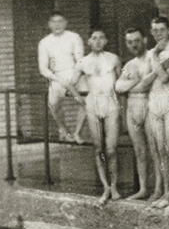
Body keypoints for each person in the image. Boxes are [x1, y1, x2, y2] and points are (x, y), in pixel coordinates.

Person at [69, 29, 122, 206]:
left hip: (111, 104)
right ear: (89, 42)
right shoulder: (83, 62)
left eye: (101, 38)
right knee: (98, 148)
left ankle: (114, 186)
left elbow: (122, 83)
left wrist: (122, 105)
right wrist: (82, 102)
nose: (98, 41)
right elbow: (70, 85)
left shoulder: (113, 58)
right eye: (94, 38)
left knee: (111, 149)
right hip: (93, 104)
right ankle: (106, 187)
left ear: (105, 41)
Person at [145, 16, 169, 208]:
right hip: (154, 100)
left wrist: (154, 59)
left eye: (161, 29)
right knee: (159, 149)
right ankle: (162, 190)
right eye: (155, 30)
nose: (158, 34)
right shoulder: (151, 52)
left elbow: (165, 77)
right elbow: (144, 80)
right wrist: (154, 60)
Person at [114, 26, 157, 200]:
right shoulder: (129, 65)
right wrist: (138, 81)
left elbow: (146, 85)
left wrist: (133, 82)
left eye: (137, 41)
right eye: (130, 42)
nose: (134, 45)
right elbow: (118, 87)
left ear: (145, 40)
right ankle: (143, 188)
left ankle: (159, 189)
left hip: (149, 105)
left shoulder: (152, 58)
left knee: (155, 150)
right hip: (133, 107)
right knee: (139, 151)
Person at [37, 11, 86, 143]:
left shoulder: (74, 37)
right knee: (52, 104)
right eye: (54, 22)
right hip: (57, 77)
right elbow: (43, 68)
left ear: (65, 23)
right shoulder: (44, 42)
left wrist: (74, 78)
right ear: (49, 24)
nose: (57, 25)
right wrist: (58, 79)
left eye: (60, 21)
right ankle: (64, 130)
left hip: (75, 74)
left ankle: (77, 132)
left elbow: (80, 60)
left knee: (86, 102)